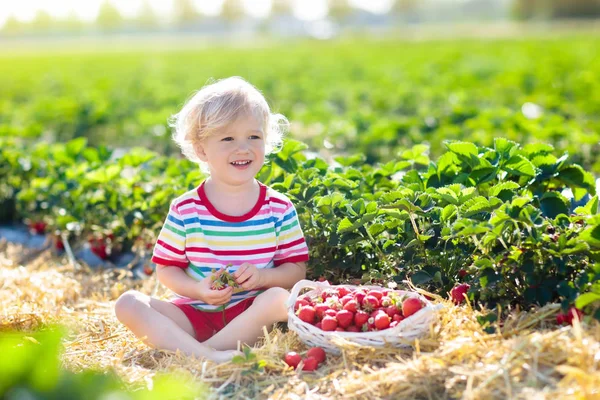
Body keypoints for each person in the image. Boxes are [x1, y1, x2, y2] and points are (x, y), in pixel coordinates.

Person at [114, 77, 309, 363]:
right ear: (202, 149)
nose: (243, 148)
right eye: (228, 138)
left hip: (250, 316)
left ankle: (196, 354)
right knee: (128, 303)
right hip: (194, 316)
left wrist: (263, 277)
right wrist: (197, 290)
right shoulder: (186, 209)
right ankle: (210, 356)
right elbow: (167, 270)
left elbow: (296, 271)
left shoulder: (278, 207)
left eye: (253, 137)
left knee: (278, 298)